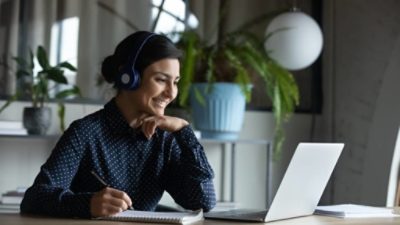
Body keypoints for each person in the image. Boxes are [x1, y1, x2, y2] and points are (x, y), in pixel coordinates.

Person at [20, 31, 216, 218]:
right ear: (128, 77)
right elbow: (34, 199)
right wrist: (88, 204)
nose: (171, 93)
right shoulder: (85, 133)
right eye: (161, 80)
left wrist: (184, 131)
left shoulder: (165, 139)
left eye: (175, 82)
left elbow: (204, 201)